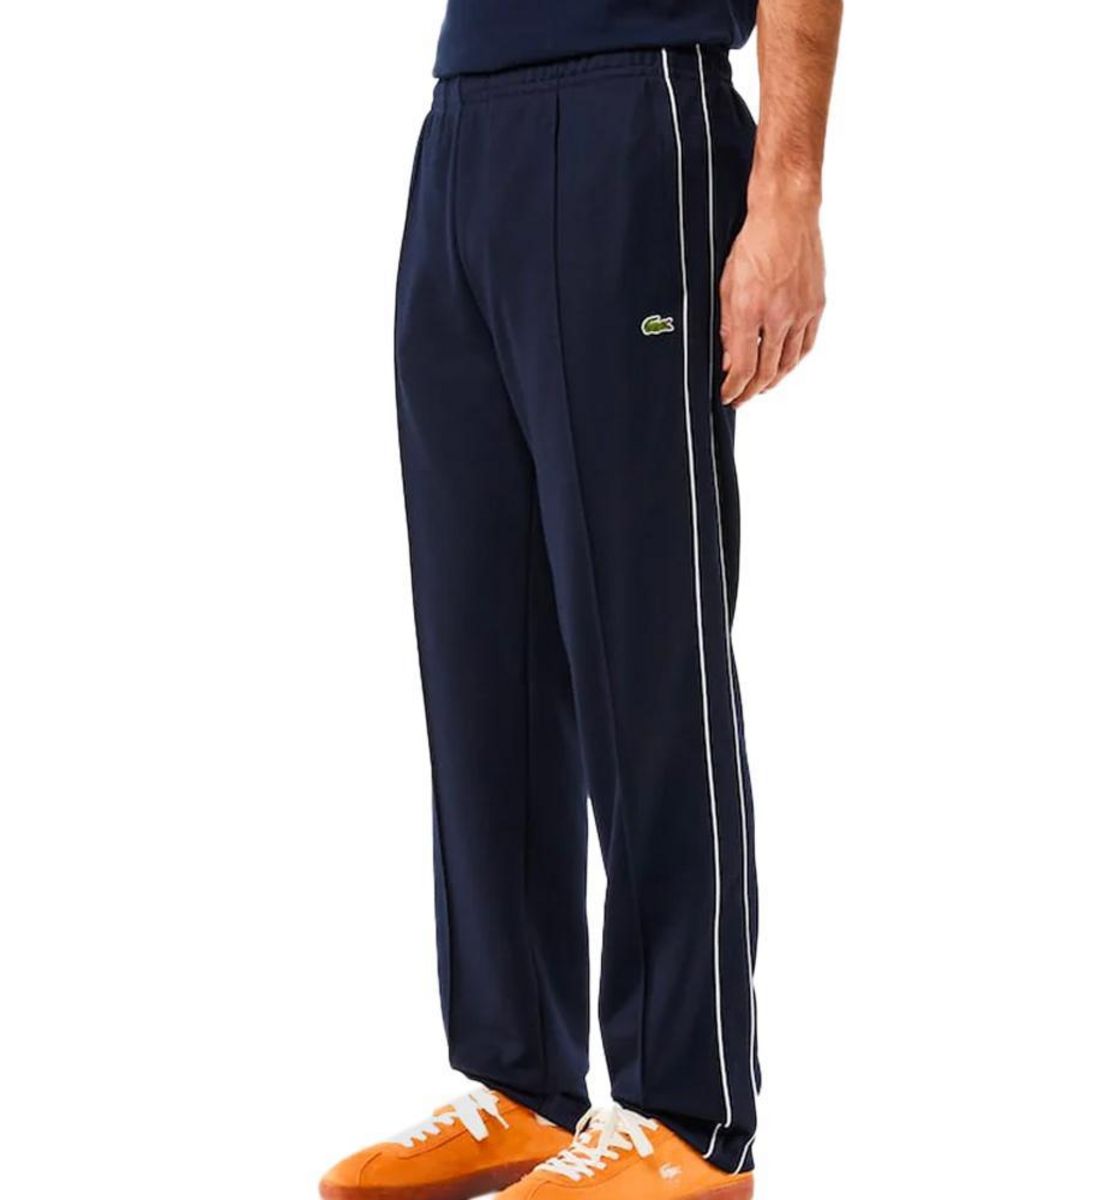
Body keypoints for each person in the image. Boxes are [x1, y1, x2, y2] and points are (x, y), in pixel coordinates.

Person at [320, 1, 841, 1197]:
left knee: (642, 640)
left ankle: (691, 1114)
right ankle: (521, 1080)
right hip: (464, 124)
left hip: (631, 110)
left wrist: (788, 191)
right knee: (481, 645)